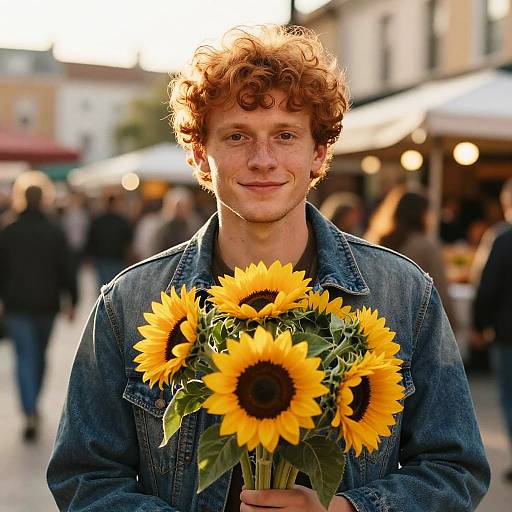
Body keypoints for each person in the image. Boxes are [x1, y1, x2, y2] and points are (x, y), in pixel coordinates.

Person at [47, 25, 489, 511]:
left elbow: (456, 469)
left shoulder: (404, 294)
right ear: (200, 153)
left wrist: (345, 509)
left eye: (285, 135)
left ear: (318, 152)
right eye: (237, 135)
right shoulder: (129, 305)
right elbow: (84, 476)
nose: (263, 160)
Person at [0, 173, 77, 441]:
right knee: (39, 356)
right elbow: (68, 268)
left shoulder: (9, 230)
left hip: (17, 304)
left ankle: (29, 408)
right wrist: (73, 300)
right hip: (46, 304)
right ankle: (32, 405)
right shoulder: (54, 231)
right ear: (44, 198)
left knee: (25, 355)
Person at [364, 186, 457, 329]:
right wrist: (453, 324)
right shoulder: (426, 246)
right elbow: (440, 290)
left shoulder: (377, 241)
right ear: (422, 214)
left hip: (378, 323)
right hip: (415, 323)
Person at [473, 178, 512, 483]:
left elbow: (487, 288)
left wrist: (478, 325)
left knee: (510, 398)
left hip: (507, 333)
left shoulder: (502, 238)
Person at [86, 194, 134, 288]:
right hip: (117, 259)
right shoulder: (122, 221)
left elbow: (91, 240)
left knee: (103, 288)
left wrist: (90, 255)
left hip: (102, 259)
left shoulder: (98, 221)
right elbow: (128, 241)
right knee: (117, 287)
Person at [152, 187, 203, 254]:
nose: (182, 210)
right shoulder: (162, 226)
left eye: (186, 206)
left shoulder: (194, 224)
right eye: (179, 206)